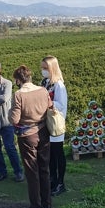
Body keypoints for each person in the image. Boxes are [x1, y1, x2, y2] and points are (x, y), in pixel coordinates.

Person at [10, 65, 53, 208]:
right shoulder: (42, 90)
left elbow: (14, 119)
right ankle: (47, 203)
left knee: (31, 170)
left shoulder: (18, 95)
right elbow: (50, 106)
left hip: (27, 135)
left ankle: (36, 207)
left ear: (17, 80)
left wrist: (11, 112)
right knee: (44, 167)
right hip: (43, 132)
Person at [41, 55, 68, 196]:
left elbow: (61, 104)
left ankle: (61, 183)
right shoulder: (45, 82)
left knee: (58, 154)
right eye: (42, 68)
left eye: (45, 68)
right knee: (49, 155)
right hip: (46, 123)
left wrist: (47, 102)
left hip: (56, 123)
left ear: (52, 68)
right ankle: (52, 180)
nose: (43, 71)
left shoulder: (59, 85)